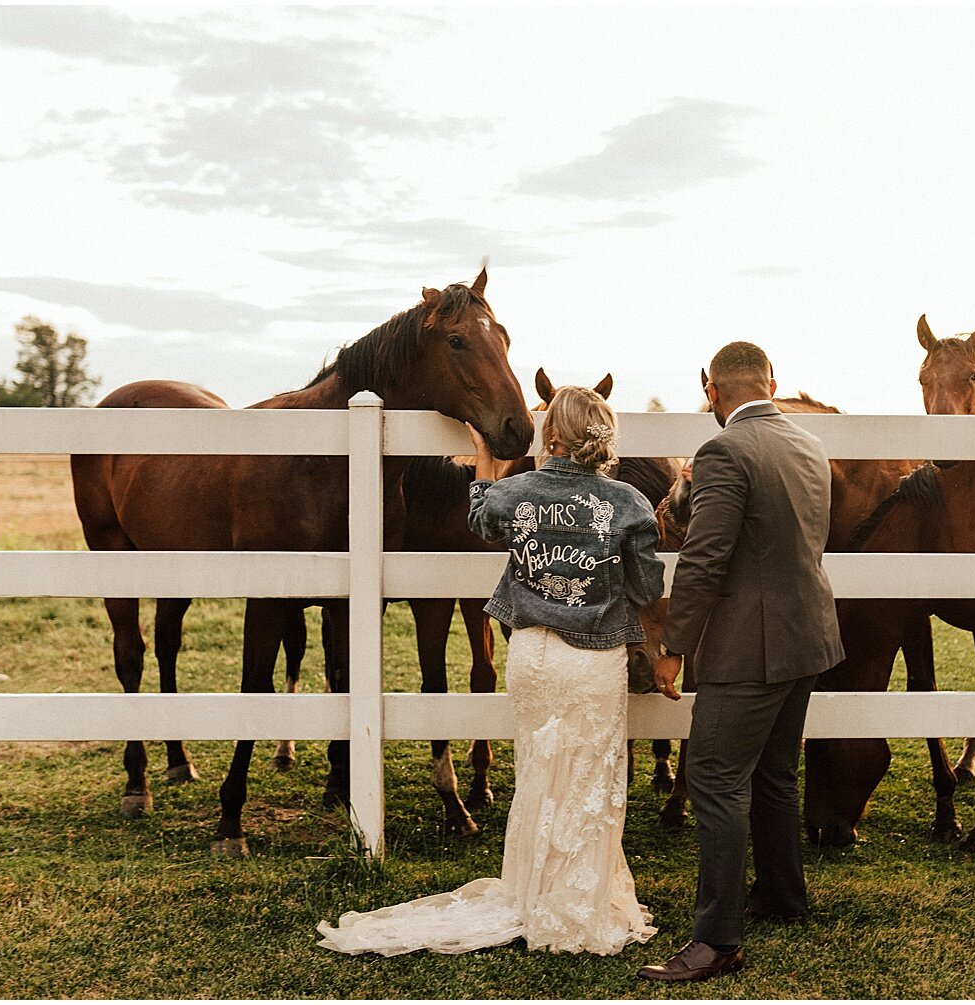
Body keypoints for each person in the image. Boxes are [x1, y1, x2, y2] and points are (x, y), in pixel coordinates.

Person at [316, 385, 667, 957]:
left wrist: (484, 456)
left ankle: (531, 893)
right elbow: (648, 587)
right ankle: (577, 898)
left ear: (550, 437)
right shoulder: (628, 503)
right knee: (588, 778)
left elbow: (479, 519)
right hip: (593, 658)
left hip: (532, 655)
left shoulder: (517, 492)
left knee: (537, 773)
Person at [637, 342, 843, 983]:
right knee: (776, 775)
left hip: (749, 646)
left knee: (715, 779)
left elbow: (703, 560)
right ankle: (783, 899)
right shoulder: (808, 444)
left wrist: (671, 647)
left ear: (711, 390)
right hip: (809, 636)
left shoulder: (722, 451)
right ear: (772, 381)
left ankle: (719, 940)